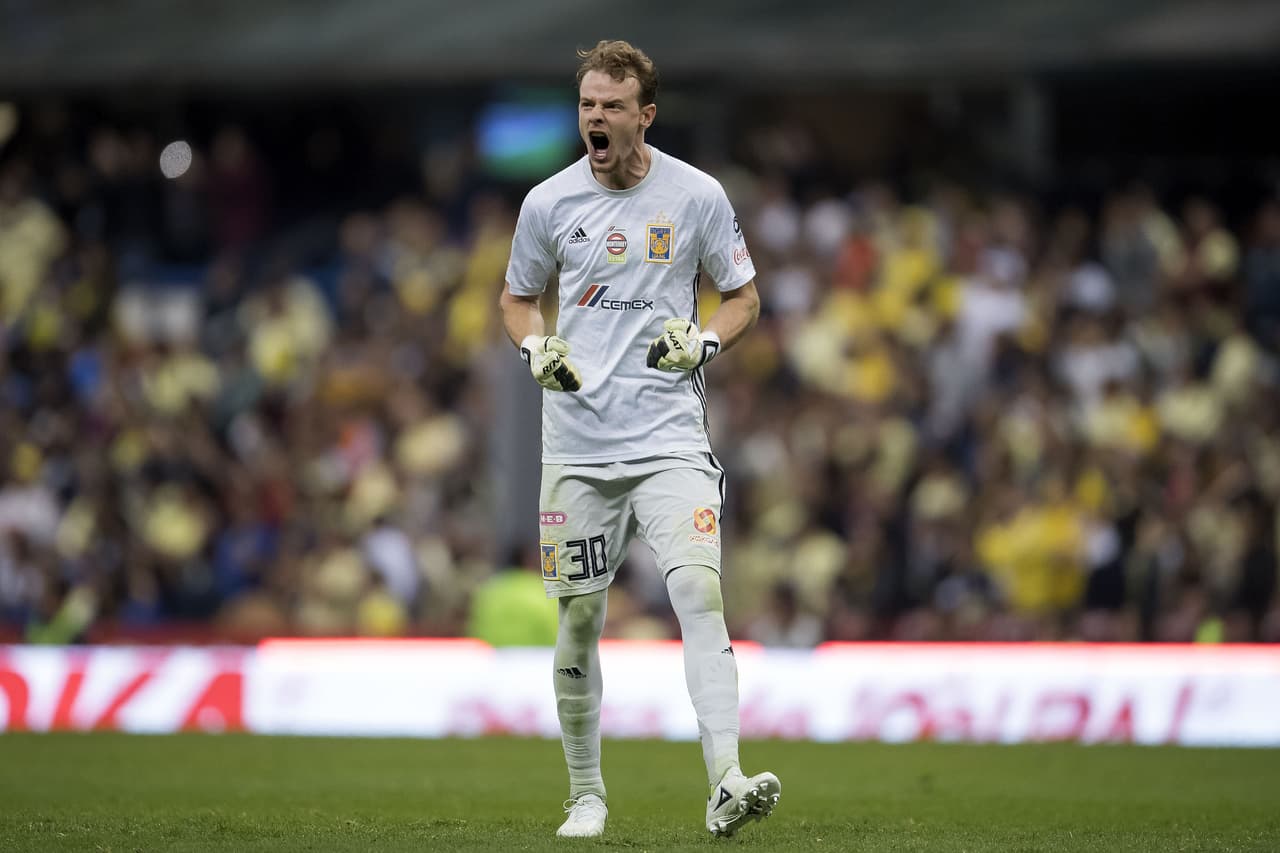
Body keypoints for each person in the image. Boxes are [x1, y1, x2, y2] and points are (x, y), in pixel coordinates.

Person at [499, 39, 781, 840]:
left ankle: (725, 777)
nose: (595, 117)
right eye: (587, 104)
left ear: (643, 116)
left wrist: (705, 343)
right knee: (580, 620)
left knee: (699, 591)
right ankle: (585, 794)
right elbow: (517, 299)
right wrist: (534, 346)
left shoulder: (695, 195)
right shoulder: (547, 203)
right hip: (579, 448)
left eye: (612, 106)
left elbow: (743, 296)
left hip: (668, 439)